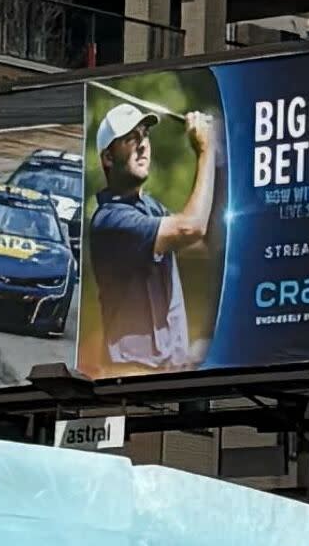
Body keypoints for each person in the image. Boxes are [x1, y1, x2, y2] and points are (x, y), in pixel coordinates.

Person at [79, 100, 218, 384]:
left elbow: (203, 239)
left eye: (145, 136)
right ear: (108, 158)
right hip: (132, 376)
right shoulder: (111, 220)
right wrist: (205, 151)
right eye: (131, 138)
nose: (143, 145)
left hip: (169, 375)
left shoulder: (151, 209)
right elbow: (191, 228)